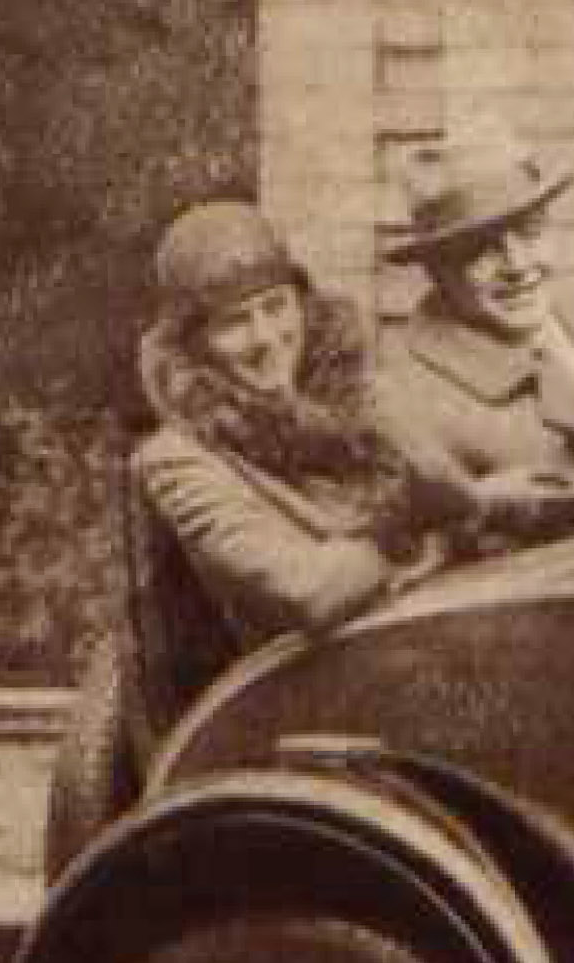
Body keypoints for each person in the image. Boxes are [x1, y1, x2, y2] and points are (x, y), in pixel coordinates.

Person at [130, 198, 460, 643]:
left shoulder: (358, 403)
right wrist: (404, 532)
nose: (267, 338)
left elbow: (451, 483)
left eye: (276, 306)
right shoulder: (178, 460)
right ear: (195, 344)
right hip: (287, 699)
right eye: (235, 323)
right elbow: (305, 592)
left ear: (303, 305)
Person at [371, 123, 574, 547]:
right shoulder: (406, 401)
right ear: (436, 269)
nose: (518, 264)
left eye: (531, 230)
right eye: (480, 249)